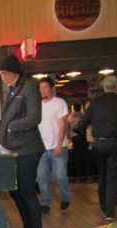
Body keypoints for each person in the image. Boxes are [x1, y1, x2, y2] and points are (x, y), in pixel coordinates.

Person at [74, 75, 117, 222]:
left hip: (99, 144)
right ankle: (110, 211)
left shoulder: (95, 104)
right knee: (113, 177)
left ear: (104, 88)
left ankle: (104, 205)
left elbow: (82, 125)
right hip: (116, 143)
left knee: (102, 175)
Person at [0, 54, 45, 228]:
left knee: (26, 190)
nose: (2, 78)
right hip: (14, 149)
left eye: (3, 74)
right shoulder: (13, 90)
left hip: (28, 149)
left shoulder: (29, 87)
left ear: (12, 72)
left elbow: (35, 117)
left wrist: (11, 126)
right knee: (15, 191)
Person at [37, 78, 72, 213]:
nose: (43, 91)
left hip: (58, 146)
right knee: (42, 176)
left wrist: (59, 144)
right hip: (41, 147)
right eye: (40, 88)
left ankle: (66, 197)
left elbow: (63, 124)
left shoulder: (60, 103)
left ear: (51, 88)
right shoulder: (37, 105)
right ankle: (46, 202)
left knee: (59, 175)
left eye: (45, 88)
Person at [67, 103, 94, 181]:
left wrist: (69, 137)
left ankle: (77, 176)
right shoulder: (84, 116)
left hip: (74, 138)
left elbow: (67, 128)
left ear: (73, 108)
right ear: (80, 107)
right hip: (83, 137)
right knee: (85, 156)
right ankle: (88, 175)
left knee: (77, 156)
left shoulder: (69, 117)